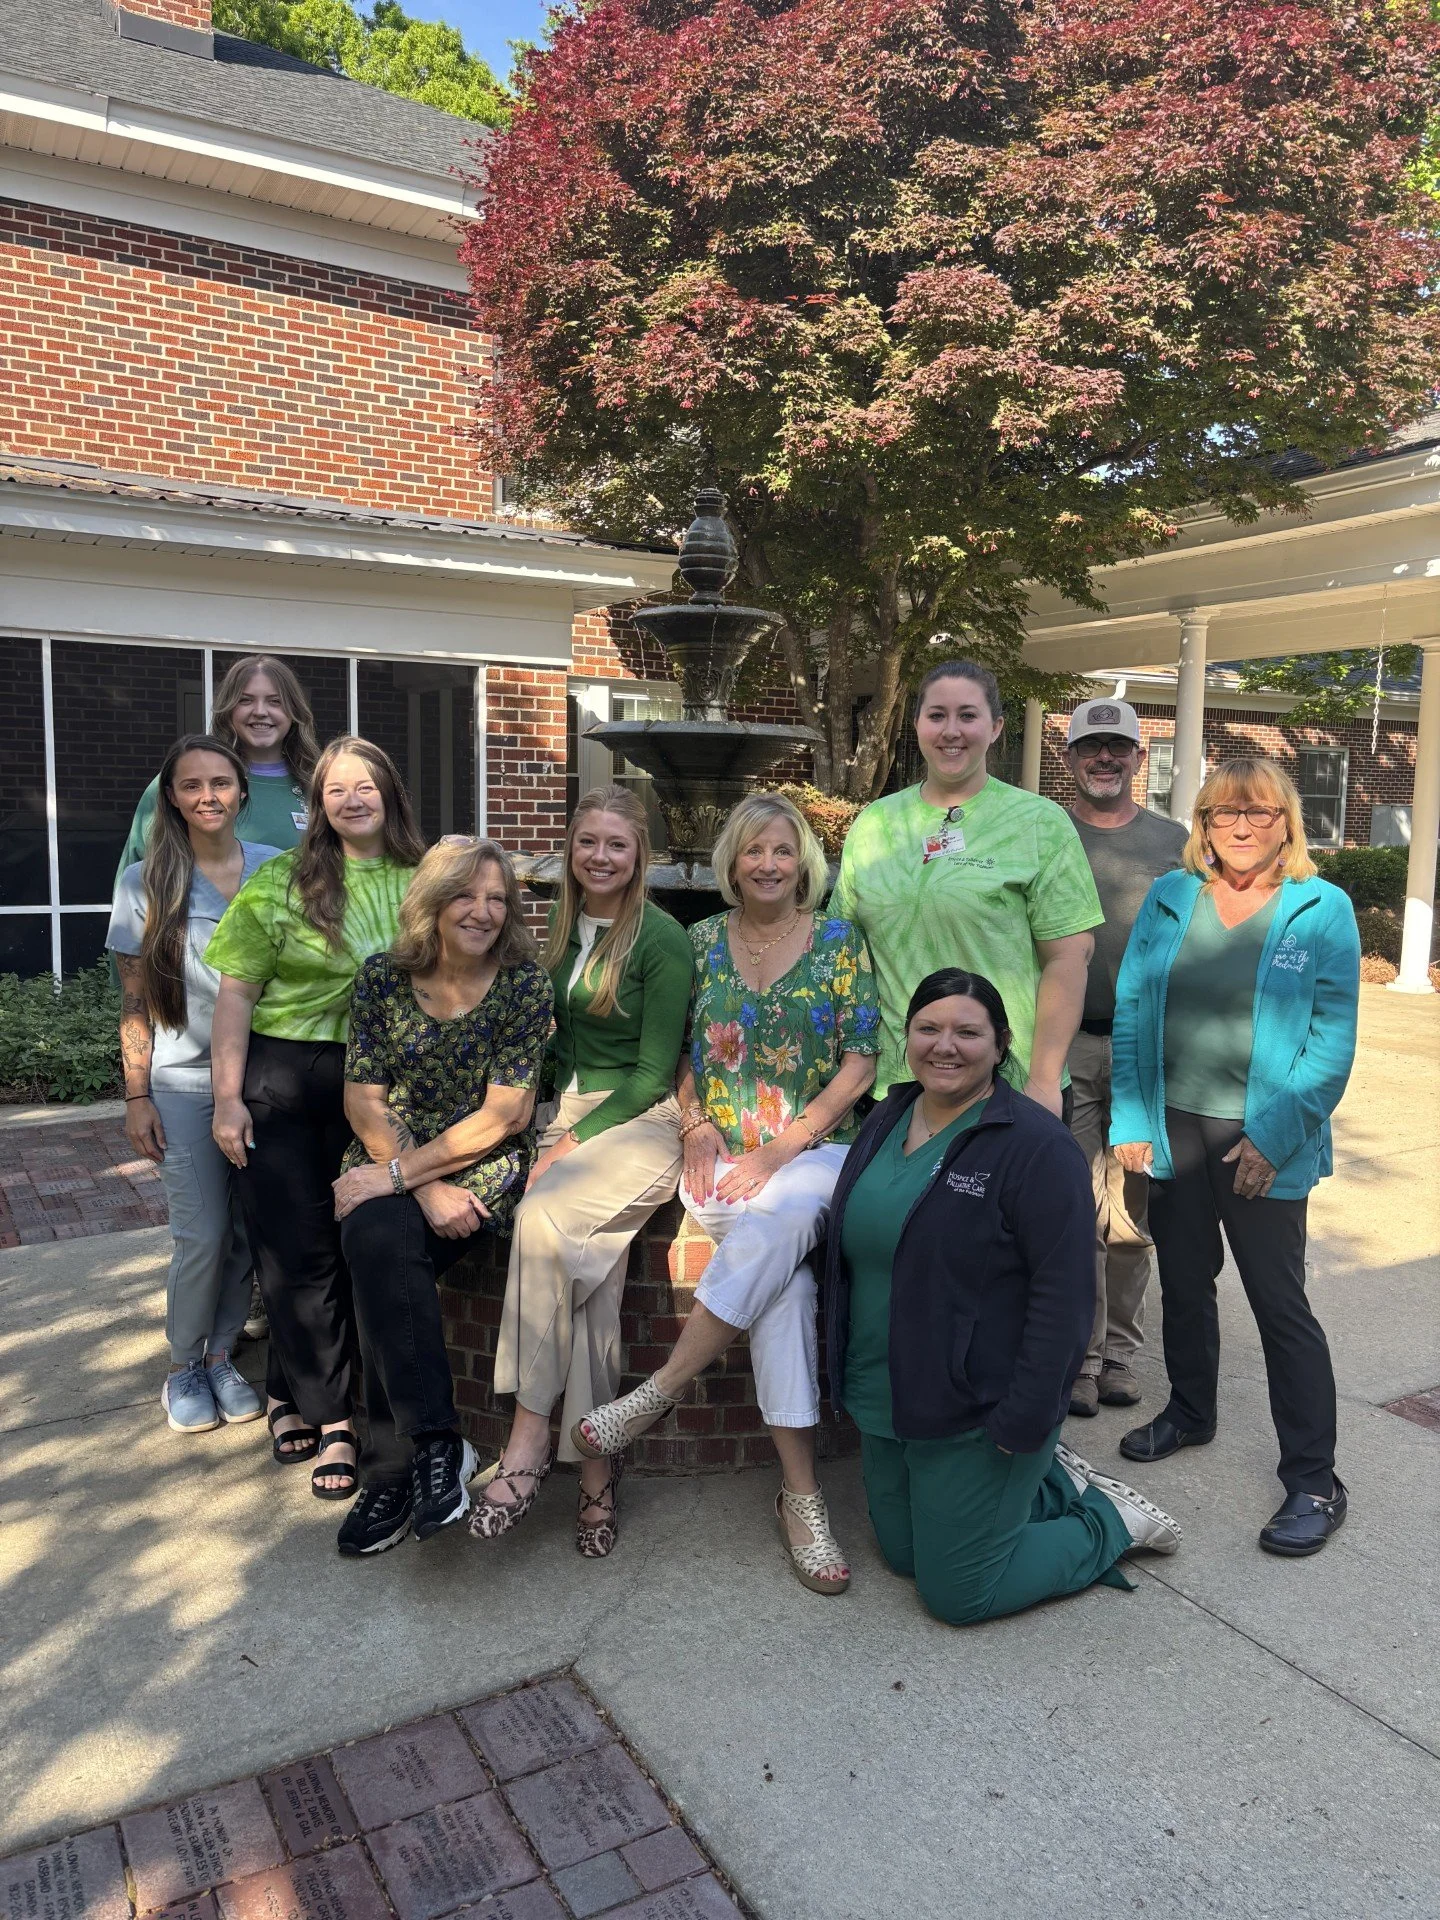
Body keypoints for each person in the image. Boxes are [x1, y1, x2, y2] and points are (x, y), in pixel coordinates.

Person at [571, 792, 881, 1595]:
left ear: (802, 861)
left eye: (783, 851)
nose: (769, 865)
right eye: (754, 852)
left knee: (781, 1216)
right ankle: (801, 1498)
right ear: (731, 863)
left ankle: (660, 1392)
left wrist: (785, 1145)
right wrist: (695, 1121)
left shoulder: (840, 941)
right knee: (784, 1289)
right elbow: (674, 1047)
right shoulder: (701, 941)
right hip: (719, 1157)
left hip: (813, 1154)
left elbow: (861, 1060)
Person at [823, 969, 1183, 1627]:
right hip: (884, 1394)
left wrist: (1027, 1414)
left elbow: (1066, 1297)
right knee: (902, 1557)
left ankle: (1109, 1520)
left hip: (977, 1406)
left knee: (958, 1594)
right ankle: (1044, 1488)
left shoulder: (1033, 1146)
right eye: (929, 1029)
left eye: (968, 1031)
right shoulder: (888, 1117)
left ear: (1000, 1043)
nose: (945, 1046)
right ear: (907, 1038)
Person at [1110, 757, 1360, 1557]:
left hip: (1262, 1137)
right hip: (1175, 1126)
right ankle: (1191, 1410)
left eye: (1258, 812)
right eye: (1223, 814)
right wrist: (1130, 1117)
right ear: (1203, 826)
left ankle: (1315, 1480)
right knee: (1184, 1283)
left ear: (1287, 820)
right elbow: (1132, 1008)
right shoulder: (1171, 897)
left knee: (1279, 1306)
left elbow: (1332, 1042)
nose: (1242, 827)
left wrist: (1277, 1138)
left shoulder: (1320, 908)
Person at [474, 784, 693, 1555]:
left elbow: (652, 1072)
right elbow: (553, 1041)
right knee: (594, 1284)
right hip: (566, 1114)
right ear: (570, 851)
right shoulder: (561, 926)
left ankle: (528, 1438)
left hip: (639, 1120)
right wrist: (538, 1120)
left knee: (542, 1218)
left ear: (640, 858)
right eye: (587, 842)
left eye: (616, 845)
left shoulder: (662, 940)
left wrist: (569, 1143)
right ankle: (598, 1472)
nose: (600, 857)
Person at [206, 737, 425, 1502]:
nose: (354, 798)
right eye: (338, 789)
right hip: (285, 1076)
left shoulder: (425, 879)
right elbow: (236, 994)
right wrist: (227, 1099)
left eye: (368, 785)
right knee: (297, 1252)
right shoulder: (281, 881)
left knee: (356, 1242)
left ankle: (293, 1393)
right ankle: (334, 1420)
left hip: (380, 1087)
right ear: (318, 805)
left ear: (391, 793)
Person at [328, 839, 554, 1557]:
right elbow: (363, 1100)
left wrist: (404, 1182)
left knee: (378, 1244)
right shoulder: (381, 979)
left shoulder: (523, 986)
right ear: (430, 900)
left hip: (477, 1166)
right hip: (393, 1161)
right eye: (466, 894)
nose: (483, 911)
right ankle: (435, 1447)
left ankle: (394, 1471)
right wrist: (414, 1183)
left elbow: (504, 1117)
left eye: (497, 898)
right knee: (379, 1240)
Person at [830, 658, 1102, 1120]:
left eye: (968, 715)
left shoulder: (1038, 823)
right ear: (916, 724)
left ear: (995, 727)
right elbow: (844, 952)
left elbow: (1068, 958)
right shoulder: (875, 824)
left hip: (1007, 1087)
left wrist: (1041, 1082)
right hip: (897, 1086)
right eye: (936, 715)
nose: (950, 730)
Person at [106, 735, 280, 1435]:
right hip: (182, 1082)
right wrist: (136, 1095)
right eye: (191, 785)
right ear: (172, 798)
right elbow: (133, 1002)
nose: (208, 795)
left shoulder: (277, 871)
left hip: (268, 1077)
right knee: (202, 1231)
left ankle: (219, 1353)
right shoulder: (144, 882)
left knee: (244, 1229)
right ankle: (182, 1364)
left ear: (243, 792)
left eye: (221, 782)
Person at [1061, 697, 1188, 1418]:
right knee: (1076, 1205)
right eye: (1090, 748)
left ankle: (1119, 1355)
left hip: (1148, 1049)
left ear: (1140, 758)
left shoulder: (1176, 841)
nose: (1104, 758)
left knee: (1131, 1214)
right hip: (1067, 1039)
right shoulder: (1047, 833)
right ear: (1069, 759)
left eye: (1118, 748)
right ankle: (1077, 1359)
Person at [117, 655, 319, 877]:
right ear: (228, 709)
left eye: (275, 701)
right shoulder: (183, 783)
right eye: (245, 700)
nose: (260, 711)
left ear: (295, 711)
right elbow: (135, 879)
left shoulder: (320, 786)